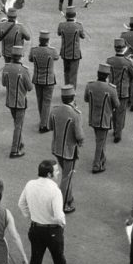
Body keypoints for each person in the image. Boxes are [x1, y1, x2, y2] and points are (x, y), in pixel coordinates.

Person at [18, 159, 77, 264]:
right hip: (52, 231)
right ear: (49, 174)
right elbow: (58, 215)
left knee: (35, 259)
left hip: (35, 229)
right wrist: (62, 224)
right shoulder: (55, 191)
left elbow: (21, 204)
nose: (58, 173)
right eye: (56, 171)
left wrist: (31, 216)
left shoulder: (30, 184)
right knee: (59, 259)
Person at [50, 85, 84, 213]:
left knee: (66, 174)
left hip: (56, 148)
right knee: (66, 177)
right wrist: (80, 142)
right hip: (69, 151)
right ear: (73, 97)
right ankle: (63, 204)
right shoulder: (75, 114)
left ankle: (69, 198)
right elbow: (79, 135)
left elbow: (50, 126)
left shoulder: (55, 110)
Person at [83, 63, 120, 173]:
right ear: (107, 76)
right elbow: (117, 104)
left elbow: (86, 99)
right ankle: (96, 164)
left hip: (93, 117)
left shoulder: (90, 86)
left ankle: (102, 158)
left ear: (97, 74)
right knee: (100, 142)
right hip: (104, 119)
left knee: (100, 140)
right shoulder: (111, 89)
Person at [1, 46, 33, 158]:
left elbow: (3, 83)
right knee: (18, 126)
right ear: (21, 56)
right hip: (20, 101)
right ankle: (14, 150)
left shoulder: (6, 68)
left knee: (16, 123)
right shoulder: (24, 70)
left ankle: (19, 141)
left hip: (10, 100)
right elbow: (30, 87)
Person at [107, 38, 133, 143]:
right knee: (121, 112)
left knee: (114, 111)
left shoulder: (109, 60)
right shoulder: (127, 62)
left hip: (112, 89)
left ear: (115, 48)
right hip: (123, 91)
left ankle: (116, 129)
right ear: (124, 48)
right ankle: (118, 133)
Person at [29, 30, 60, 133]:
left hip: (37, 79)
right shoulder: (52, 51)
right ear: (48, 40)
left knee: (40, 100)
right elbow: (56, 57)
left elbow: (30, 59)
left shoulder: (34, 50)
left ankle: (42, 119)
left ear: (39, 39)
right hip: (48, 79)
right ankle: (43, 124)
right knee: (46, 102)